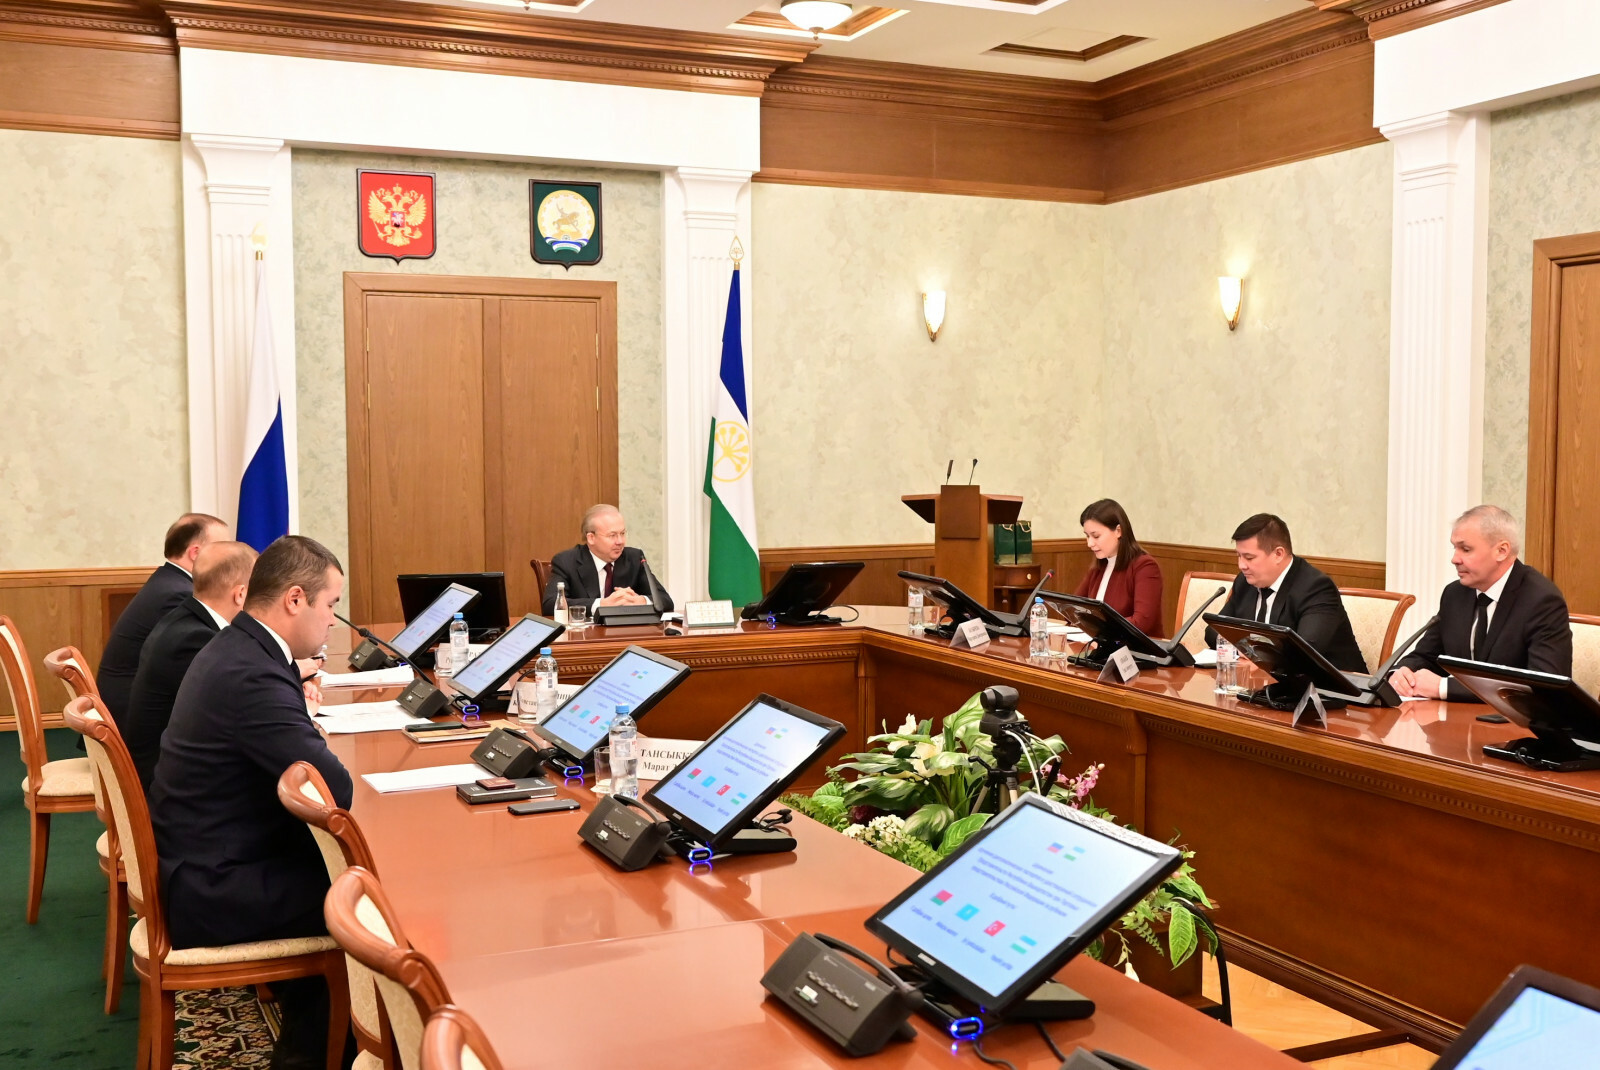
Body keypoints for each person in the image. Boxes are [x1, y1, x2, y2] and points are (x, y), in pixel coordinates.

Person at [150, 535, 352, 1069]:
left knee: (347, 876)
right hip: (215, 887)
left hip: (205, 860)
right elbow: (333, 790)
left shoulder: (241, 647)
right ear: (294, 599)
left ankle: (318, 1044)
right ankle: (324, 1054)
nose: (333, 620)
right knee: (369, 897)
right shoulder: (250, 671)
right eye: (331, 604)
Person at [1391, 505, 1572, 701]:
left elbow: (1543, 686)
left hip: (1508, 720)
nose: (1454, 559)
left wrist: (1445, 687)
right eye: (1454, 548)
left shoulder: (1541, 601)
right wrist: (1403, 672)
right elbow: (1426, 656)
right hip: (1453, 717)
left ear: (1501, 551)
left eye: (1466, 549)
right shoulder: (1455, 594)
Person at [123, 541, 257, 790]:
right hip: (164, 785)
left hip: (166, 766)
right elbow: (239, 713)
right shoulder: (196, 639)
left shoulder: (188, 620)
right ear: (241, 594)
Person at [96, 513, 228, 727]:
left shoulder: (168, 582)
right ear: (195, 553)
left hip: (126, 703)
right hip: (132, 717)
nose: (230, 558)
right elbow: (204, 669)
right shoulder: (179, 594)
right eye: (223, 549)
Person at [1206, 513, 1367, 672]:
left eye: (1249, 558)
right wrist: (1241, 650)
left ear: (1278, 554)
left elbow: (1306, 653)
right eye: (1239, 556)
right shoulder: (1245, 582)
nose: (1241, 565)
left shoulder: (1316, 588)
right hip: (1264, 682)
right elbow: (1213, 632)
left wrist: (1254, 654)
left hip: (1328, 685)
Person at [542, 504, 674, 615]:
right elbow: (550, 604)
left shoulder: (634, 558)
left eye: (622, 533)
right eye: (612, 535)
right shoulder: (566, 561)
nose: (620, 541)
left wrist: (641, 601)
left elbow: (665, 600)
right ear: (591, 538)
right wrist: (601, 604)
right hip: (586, 635)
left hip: (626, 634)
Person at [1073, 499, 1165, 637]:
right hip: (1102, 645)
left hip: (1136, 648)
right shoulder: (1099, 566)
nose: (1089, 543)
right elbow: (1073, 609)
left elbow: (1142, 622)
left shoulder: (1145, 567)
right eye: (1087, 536)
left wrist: (1101, 629)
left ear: (1118, 531)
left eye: (1096, 536)